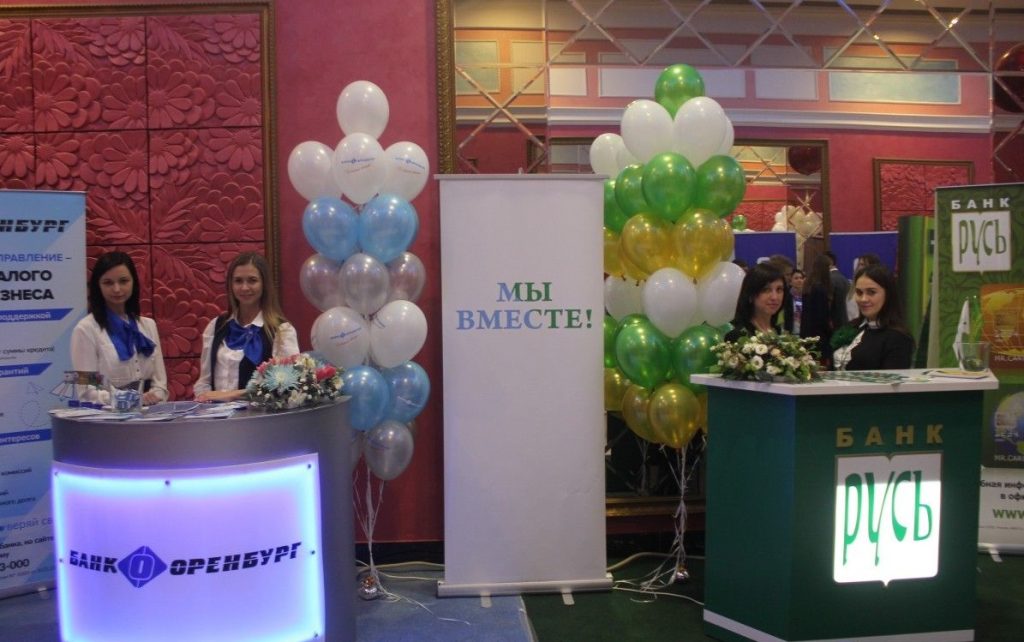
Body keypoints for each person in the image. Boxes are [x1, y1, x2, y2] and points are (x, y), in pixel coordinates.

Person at [194, 252, 299, 402]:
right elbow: (204, 382)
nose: (244, 287)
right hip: (216, 415)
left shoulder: (282, 331)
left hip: (258, 415)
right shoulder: (216, 326)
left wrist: (231, 395)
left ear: (264, 284)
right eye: (238, 281)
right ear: (231, 285)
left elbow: (285, 386)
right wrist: (203, 399)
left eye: (252, 280)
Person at [70, 251, 168, 405]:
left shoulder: (149, 325)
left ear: (133, 282)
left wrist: (154, 396)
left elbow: (160, 383)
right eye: (108, 283)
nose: (117, 289)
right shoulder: (85, 329)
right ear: (98, 286)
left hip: (150, 414)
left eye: (123, 281)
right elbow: (86, 391)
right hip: (109, 416)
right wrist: (129, 399)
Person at [832, 264, 914, 371]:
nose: (863, 299)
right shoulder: (852, 326)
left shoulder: (898, 337)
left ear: (888, 294)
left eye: (871, 292)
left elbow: (892, 379)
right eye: (859, 292)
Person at [724, 262, 786, 342]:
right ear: (751, 295)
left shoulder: (779, 332)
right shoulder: (738, 336)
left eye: (779, 290)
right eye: (766, 290)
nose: (775, 297)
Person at [798, 255, 834, 366]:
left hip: (806, 334)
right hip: (819, 337)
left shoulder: (808, 287)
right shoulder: (820, 289)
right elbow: (822, 317)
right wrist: (830, 330)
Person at [845, 253, 882, 320]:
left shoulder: (877, 286)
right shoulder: (853, 285)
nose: (859, 267)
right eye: (859, 264)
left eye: (863, 264)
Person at [824, 250, 849, 330]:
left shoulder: (828, 279)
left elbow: (828, 302)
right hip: (845, 320)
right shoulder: (845, 279)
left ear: (829, 262)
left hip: (833, 323)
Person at [790, 268, 805, 334]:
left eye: (801, 278)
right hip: (792, 328)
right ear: (791, 281)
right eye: (796, 278)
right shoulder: (788, 296)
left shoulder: (807, 295)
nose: (799, 280)